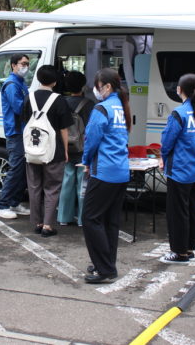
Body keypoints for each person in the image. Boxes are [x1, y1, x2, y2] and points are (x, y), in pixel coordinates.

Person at [81, 68, 131, 284]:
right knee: (110, 221)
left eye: (98, 86)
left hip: (105, 171)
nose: (96, 90)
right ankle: (107, 264)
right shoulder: (121, 107)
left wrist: (85, 161)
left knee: (90, 218)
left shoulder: (102, 108)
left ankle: (105, 269)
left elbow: (91, 138)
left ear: (107, 87)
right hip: (121, 171)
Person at [21, 65, 74, 237]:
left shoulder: (29, 98)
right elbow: (64, 129)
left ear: (38, 78)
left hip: (32, 150)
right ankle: (47, 226)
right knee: (52, 188)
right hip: (54, 151)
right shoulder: (59, 100)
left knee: (34, 186)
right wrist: (65, 150)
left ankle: (36, 222)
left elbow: (24, 122)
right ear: (55, 81)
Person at [159, 73, 195, 264]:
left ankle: (179, 252)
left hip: (179, 170)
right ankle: (189, 248)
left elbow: (167, 141)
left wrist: (162, 157)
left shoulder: (179, 113)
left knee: (177, 212)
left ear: (180, 90)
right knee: (191, 210)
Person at [0, 53, 32, 219]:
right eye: (22, 63)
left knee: (22, 169)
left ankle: (15, 202)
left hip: (23, 131)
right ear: (13, 65)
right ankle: (3, 204)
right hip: (16, 132)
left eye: (27, 64)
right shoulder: (12, 85)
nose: (25, 66)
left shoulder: (21, 83)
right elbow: (19, 108)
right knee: (16, 168)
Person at [57, 71, 94, 227]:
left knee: (66, 182)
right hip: (83, 148)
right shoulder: (90, 104)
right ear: (83, 86)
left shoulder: (62, 102)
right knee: (82, 184)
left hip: (65, 147)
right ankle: (81, 219)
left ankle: (63, 218)